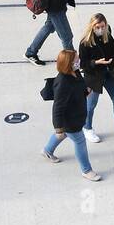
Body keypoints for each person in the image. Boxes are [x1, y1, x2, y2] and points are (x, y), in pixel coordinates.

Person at [40, 49, 102, 181]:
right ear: (69, 63)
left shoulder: (75, 73)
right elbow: (57, 108)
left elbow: (79, 87)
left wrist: (86, 91)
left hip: (77, 115)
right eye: (76, 60)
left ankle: (47, 151)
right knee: (80, 141)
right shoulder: (63, 82)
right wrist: (59, 128)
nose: (79, 61)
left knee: (63, 135)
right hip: (70, 120)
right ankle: (87, 170)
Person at [78, 13, 114, 145]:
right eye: (98, 27)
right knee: (91, 105)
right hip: (94, 77)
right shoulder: (85, 43)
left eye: (103, 26)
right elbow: (83, 65)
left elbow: (112, 50)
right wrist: (96, 63)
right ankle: (87, 128)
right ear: (92, 27)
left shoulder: (108, 35)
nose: (101, 29)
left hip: (109, 73)